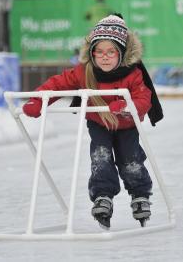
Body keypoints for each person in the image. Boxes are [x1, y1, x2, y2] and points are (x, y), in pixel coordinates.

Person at [22, 14, 163, 229]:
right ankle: (102, 197)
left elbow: (144, 99)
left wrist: (126, 106)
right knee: (101, 158)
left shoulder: (133, 73)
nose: (104, 57)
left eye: (111, 52)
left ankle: (140, 195)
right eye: (99, 52)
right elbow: (58, 84)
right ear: (92, 52)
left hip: (127, 125)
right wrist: (39, 100)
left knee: (131, 160)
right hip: (99, 124)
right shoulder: (85, 71)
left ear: (121, 52)